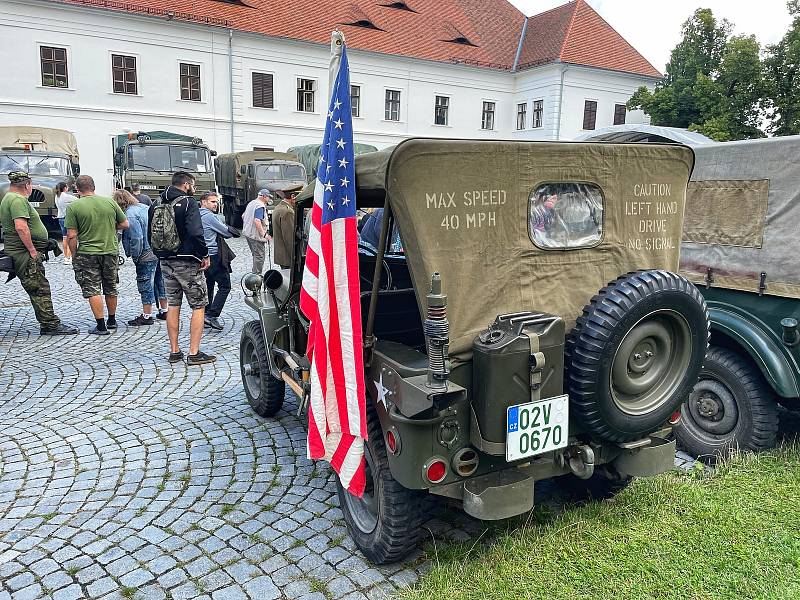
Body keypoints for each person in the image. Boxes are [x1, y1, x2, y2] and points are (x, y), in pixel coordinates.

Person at [148, 171, 215, 365]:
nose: (193, 188)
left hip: (165, 260)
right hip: (187, 260)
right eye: (192, 185)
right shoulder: (188, 203)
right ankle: (194, 353)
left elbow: (149, 234)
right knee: (199, 305)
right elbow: (195, 232)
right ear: (186, 184)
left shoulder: (156, 203)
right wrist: (204, 254)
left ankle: (174, 351)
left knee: (173, 304)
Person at [0, 171, 77, 335]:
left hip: (21, 251)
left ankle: (49, 323)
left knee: (38, 287)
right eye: (31, 185)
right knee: (39, 289)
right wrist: (33, 251)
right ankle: (50, 325)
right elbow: (21, 227)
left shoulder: (9, 197)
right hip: (24, 254)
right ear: (27, 185)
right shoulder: (17, 200)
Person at [65, 175, 129, 335]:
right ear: (94, 187)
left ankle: (101, 326)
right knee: (111, 286)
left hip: (88, 253)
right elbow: (125, 224)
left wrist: (74, 254)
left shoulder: (74, 207)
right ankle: (112, 320)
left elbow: (71, 235)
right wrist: (109, 226)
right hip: (110, 251)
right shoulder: (109, 202)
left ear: (77, 190)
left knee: (93, 289)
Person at [113, 189, 163, 326]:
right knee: (159, 281)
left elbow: (137, 238)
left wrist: (135, 255)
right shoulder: (144, 207)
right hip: (158, 250)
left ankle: (147, 315)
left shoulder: (129, 215)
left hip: (146, 253)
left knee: (145, 283)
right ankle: (164, 310)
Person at [198, 191, 239, 331]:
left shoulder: (196, 214)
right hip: (213, 255)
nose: (216, 204)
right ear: (204, 202)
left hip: (201, 255)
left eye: (216, 201)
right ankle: (212, 315)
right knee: (225, 285)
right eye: (212, 201)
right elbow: (227, 232)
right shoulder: (209, 216)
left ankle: (205, 315)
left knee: (208, 284)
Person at [242, 188, 272, 274]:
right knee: (259, 256)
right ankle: (256, 276)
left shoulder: (251, 203)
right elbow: (257, 220)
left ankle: (255, 274)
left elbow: (243, 216)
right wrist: (264, 234)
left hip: (248, 234)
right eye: (268, 197)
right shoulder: (260, 206)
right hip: (256, 236)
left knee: (255, 255)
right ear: (264, 196)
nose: (269, 199)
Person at [271, 187, 301, 269]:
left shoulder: (279, 208)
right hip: (288, 257)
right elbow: (289, 238)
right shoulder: (288, 212)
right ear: (292, 196)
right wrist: (295, 257)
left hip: (282, 255)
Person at [54, 182, 77, 265]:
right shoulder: (65, 196)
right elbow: (77, 200)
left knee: (64, 238)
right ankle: (70, 256)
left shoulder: (57, 196)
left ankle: (65, 257)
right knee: (70, 237)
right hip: (67, 218)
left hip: (60, 217)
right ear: (64, 188)